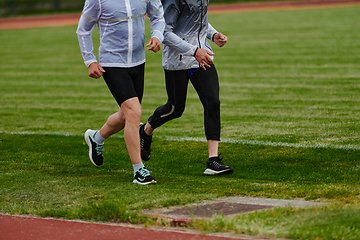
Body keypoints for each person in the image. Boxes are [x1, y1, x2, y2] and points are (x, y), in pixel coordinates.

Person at [139, 0, 234, 175]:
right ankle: (146, 130)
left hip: (203, 56)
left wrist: (212, 35)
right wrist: (193, 50)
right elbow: (164, 32)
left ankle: (213, 160)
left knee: (213, 102)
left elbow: (198, 19)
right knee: (175, 109)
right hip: (178, 60)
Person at [76, 0, 165, 185]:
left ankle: (96, 138)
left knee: (126, 116)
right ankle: (139, 171)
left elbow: (158, 17)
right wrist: (90, 60)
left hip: (138, 61)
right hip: (112, 63)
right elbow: (83, 29)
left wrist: (157, 36)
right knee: (134, 112)